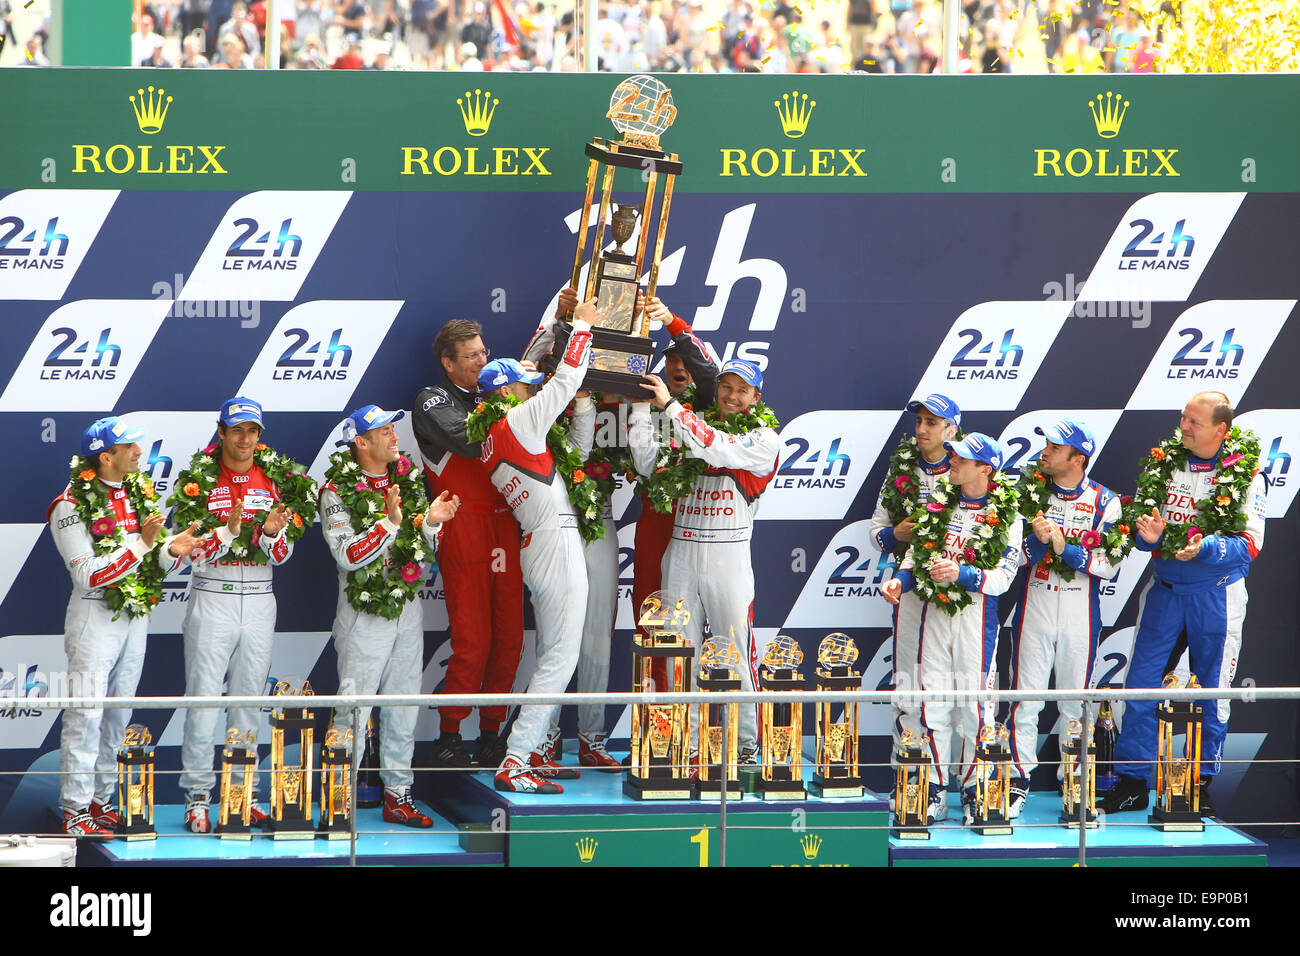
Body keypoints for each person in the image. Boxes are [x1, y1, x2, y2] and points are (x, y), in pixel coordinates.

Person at [1099, 392, 1267, 815]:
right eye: (1183, 418)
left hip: (1218, 594)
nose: (1184, 426)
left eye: (1194, 421)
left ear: (1221, 430)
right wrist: (1147, 537)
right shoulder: (1163, 463)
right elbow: (1141, 532)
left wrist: (1206, 547)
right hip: (1166, 592)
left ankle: (1199, 786)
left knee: (1213, 692)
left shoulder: (1248, 475)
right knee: (1140, 686)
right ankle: (1134, 780)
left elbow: (1250, 544)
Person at [49, 417, 202, 838]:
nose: (140, 452)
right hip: (94, 615)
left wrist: (172, 550)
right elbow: (87, 576)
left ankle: (101, 800)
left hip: (135, 616)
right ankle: (76, 810)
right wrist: (143, 544)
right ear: (106, 456)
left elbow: (149, 563)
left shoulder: (138, 493)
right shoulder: (70, 504)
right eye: (130, 447)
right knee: (86, 713)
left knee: (118, 715)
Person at [631, 358, 781, 765]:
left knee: (736, 648)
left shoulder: (764, 438)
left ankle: (749, 744)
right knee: (682, 652)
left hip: (727, 554)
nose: (732, 396)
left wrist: (670, 408)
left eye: (742, 390)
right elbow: (646, 466)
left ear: (756, 397)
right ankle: (690, 746)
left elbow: (716, 447)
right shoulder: (686, 423)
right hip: (680, 550)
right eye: (726, 387)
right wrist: (643, 410)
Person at [172, 398, 310, 834]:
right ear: (221, 431)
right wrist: (228, 531)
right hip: (212, 595)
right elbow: (188, 550)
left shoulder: (275, 480)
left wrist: (270, 533)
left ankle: (242, 794)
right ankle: (197, 797)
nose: (245, 438)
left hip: (260, 596)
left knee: (249, 701)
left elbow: (284, 554)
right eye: (237, 430)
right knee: (203, 700)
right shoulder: (197, 479)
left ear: (260, 434)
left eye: (252, 430)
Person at [475, 304, 596, 794]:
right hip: (554, 540)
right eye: (525, 383)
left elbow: (577, 454)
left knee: (552, 652)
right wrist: (583, 325)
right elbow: (564, 381)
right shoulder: (518, 422)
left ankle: (534, 747)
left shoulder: (502, 432)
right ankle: (517, 758)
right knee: (560, 658)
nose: (533, 388)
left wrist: (584, 405)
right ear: (506, 393)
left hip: (541, 540)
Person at [319, 406, 460, 827]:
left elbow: (424, 548)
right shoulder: (336, 489)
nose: (393, 435)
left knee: (402, 705)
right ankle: (336, 801)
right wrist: (389, 524)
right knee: (353, 709)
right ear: (361, 442)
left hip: (407, 606)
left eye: (392, 427)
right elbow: (347, 556)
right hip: (364, 612)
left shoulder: (407, 476)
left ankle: (398, 795)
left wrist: (431, 524)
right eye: (382, 430)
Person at [882, 433, 1023, 826]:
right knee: (932, 704)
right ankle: (935, 791)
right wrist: (899, 582)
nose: (952, 462)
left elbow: (1003, 578)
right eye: (954, 456)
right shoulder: (937, 503)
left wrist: (961, 572)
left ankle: (979, 792)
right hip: (932, 615)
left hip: (976, 619)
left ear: (985, 469)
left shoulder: (1009, 514)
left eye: (962, 458)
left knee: (977, 709)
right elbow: (914, 557)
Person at [413, 319, 524, 771]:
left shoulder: (493, 396)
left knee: (510, 638)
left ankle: (493, 731)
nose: (484, 360)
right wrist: (512, 405)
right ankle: (450, 733)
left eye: (484, 352)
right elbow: (466, 436)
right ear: (448, 362)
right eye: (473, 355)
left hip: (507, 522)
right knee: (473, 639)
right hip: (462, 522)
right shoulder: (432, 399)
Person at [1005, 418, 1122, 819]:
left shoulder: (1106, 501)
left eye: (1054, 448)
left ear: (1078, 458)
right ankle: (1019, 780)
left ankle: (1073, 785)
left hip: (1079, 608)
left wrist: (1065, 548)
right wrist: (1038, 543)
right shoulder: (1026, 494)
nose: (1045, 452)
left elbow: (1108, 565)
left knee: (1075, 702)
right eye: (1047, 446)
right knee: (1026, 700)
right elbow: (1010, 559)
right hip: (1034, 602)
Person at [868, 394, 961, 776]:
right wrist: (895, 533)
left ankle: (948, 782)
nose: (921, 430)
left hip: (957, 595)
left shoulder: (968, 469)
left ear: (951, 430)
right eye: (919, 421)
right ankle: (908, 778)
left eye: (932, 423)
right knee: (907, 684)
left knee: (958, 692)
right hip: (909, 589)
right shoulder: (901, 470)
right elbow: (875, 534)